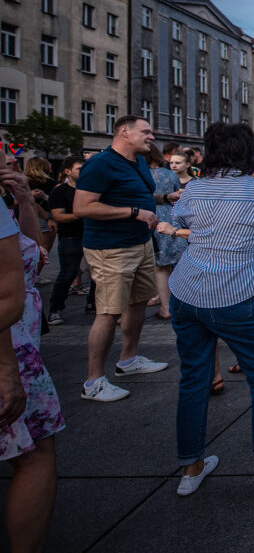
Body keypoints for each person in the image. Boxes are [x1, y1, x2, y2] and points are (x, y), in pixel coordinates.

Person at [157, 122, 254, 500]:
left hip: (187, 291)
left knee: (193, 379)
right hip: (236, 293)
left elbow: (180, 221)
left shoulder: (194, 187)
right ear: (249, 152)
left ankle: (191, 468)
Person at [1, 155, 73, 553]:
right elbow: (5, 294)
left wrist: (24, 200)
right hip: (10, 348)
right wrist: (7, 365)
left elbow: (37, 253)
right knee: (34, 457)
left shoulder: (8, 199)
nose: (10, 155)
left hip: (22, 339)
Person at [73, 116, 167, 402]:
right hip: (110, 248)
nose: (151, 136)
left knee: (137, 302)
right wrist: (133, 213)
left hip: (139, 242)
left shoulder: (138, 161)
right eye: (146, 131)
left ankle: (128, 359)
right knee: (109, 311)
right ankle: (94, 381)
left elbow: (141, 196)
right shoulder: (100, 164)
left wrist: (166, 198)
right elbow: (82, 207)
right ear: (124, 132)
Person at [46, 157, 94, 325]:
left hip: (91, 234)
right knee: (68, 273)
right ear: (67, 171)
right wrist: (83, 213)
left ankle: (92, 303)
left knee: (98, 272)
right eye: (79, 169)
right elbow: (58, 215)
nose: (83, 172)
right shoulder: (60, 191)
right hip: (70, 236)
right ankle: (55, 309)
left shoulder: (91, 189)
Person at [147, 145, 183, 321]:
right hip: (169, 216)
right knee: (172, 262)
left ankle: (165, 306)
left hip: (148, 215)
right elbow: (176, 194)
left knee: (159, 266)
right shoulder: (170, 174)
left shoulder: (142, 174)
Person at [22, 157, 56, 253]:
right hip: (45, 216)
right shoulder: (50, 183)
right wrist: (45, 197)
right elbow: (56, 202)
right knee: (44, 249)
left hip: (24, 216)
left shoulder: (22, 182)